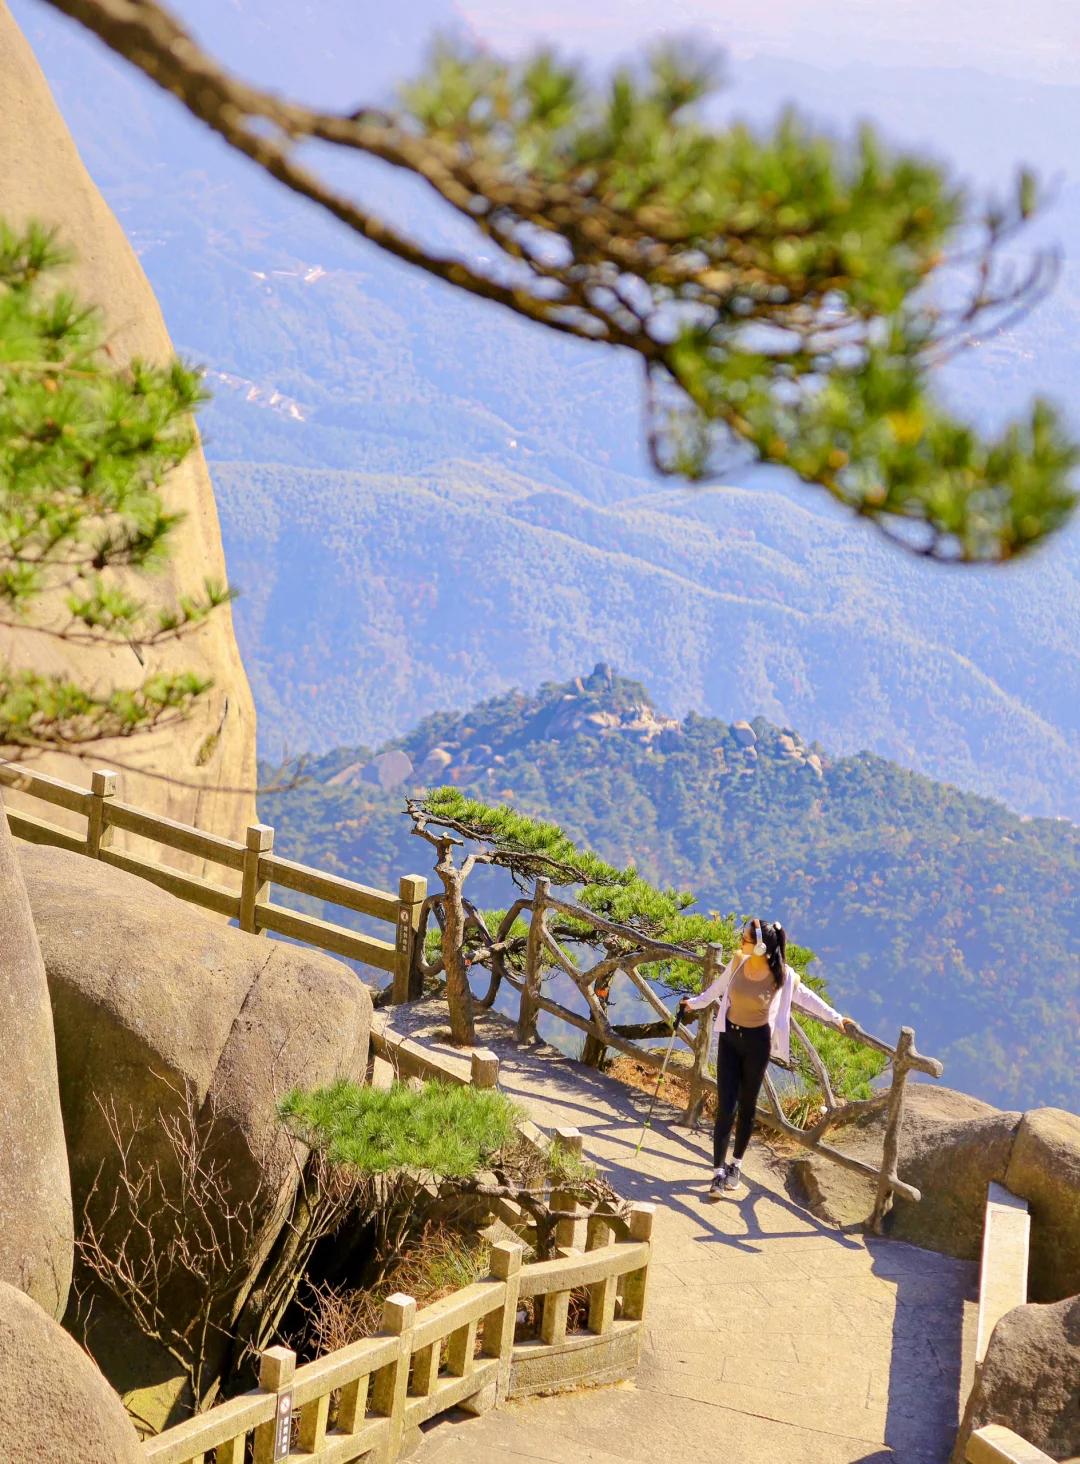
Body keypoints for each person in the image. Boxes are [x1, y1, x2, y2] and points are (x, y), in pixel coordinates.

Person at [676, 918, 856, 1201]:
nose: (740, 943)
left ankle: (735, 1165)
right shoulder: (737, 963)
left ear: (760, 947)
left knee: (747, 1106)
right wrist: (692, 1004)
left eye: (745, 939)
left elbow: (809, 999)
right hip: (730, 1040)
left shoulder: (782, 976)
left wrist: (836, 1018)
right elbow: (715, 991)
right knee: (727, 1106)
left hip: (757, 1044)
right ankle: (717, 1173)